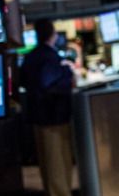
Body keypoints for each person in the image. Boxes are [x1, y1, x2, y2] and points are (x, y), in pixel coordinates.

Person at [20, 19, 74, 196]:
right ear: (53, 34)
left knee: (47, 162)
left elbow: (23, 82)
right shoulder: (50, 57)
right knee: (57, 161)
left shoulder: (31, 56)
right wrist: (67, 72)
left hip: (38, 117)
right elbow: (49, 85)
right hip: (54, 116)